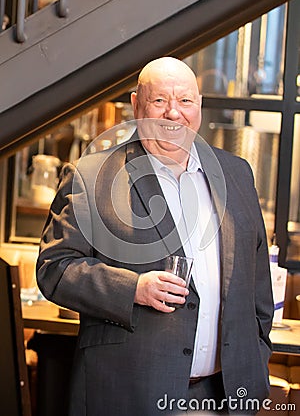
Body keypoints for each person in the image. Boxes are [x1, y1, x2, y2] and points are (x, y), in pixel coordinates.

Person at [36, 57, 274, 415]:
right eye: (159, 101)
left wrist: (257, 353)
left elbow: (258, 287)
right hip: (129, 393)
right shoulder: (92, 175)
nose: (173, 113)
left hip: (228, 395)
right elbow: (54, 268)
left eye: (185, 101)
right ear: (136, 106)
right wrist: (134, 288)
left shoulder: (237, 173)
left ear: (199, 106)